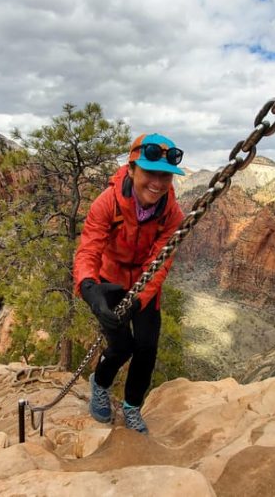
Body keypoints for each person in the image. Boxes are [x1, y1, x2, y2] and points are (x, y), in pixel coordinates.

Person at [73, 133, 185, 434]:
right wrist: (89, 288)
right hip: (110, 279)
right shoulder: (107, 203)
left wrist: (140, 297)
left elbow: (161, 262)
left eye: (166, 176)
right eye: (151, 173)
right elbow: (89, 248)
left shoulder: (172, 214)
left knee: (147, 347)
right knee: (121, 346)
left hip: (146, 286)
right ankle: (100, 384)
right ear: (132, 169)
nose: (159, 184)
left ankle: (132, 407)